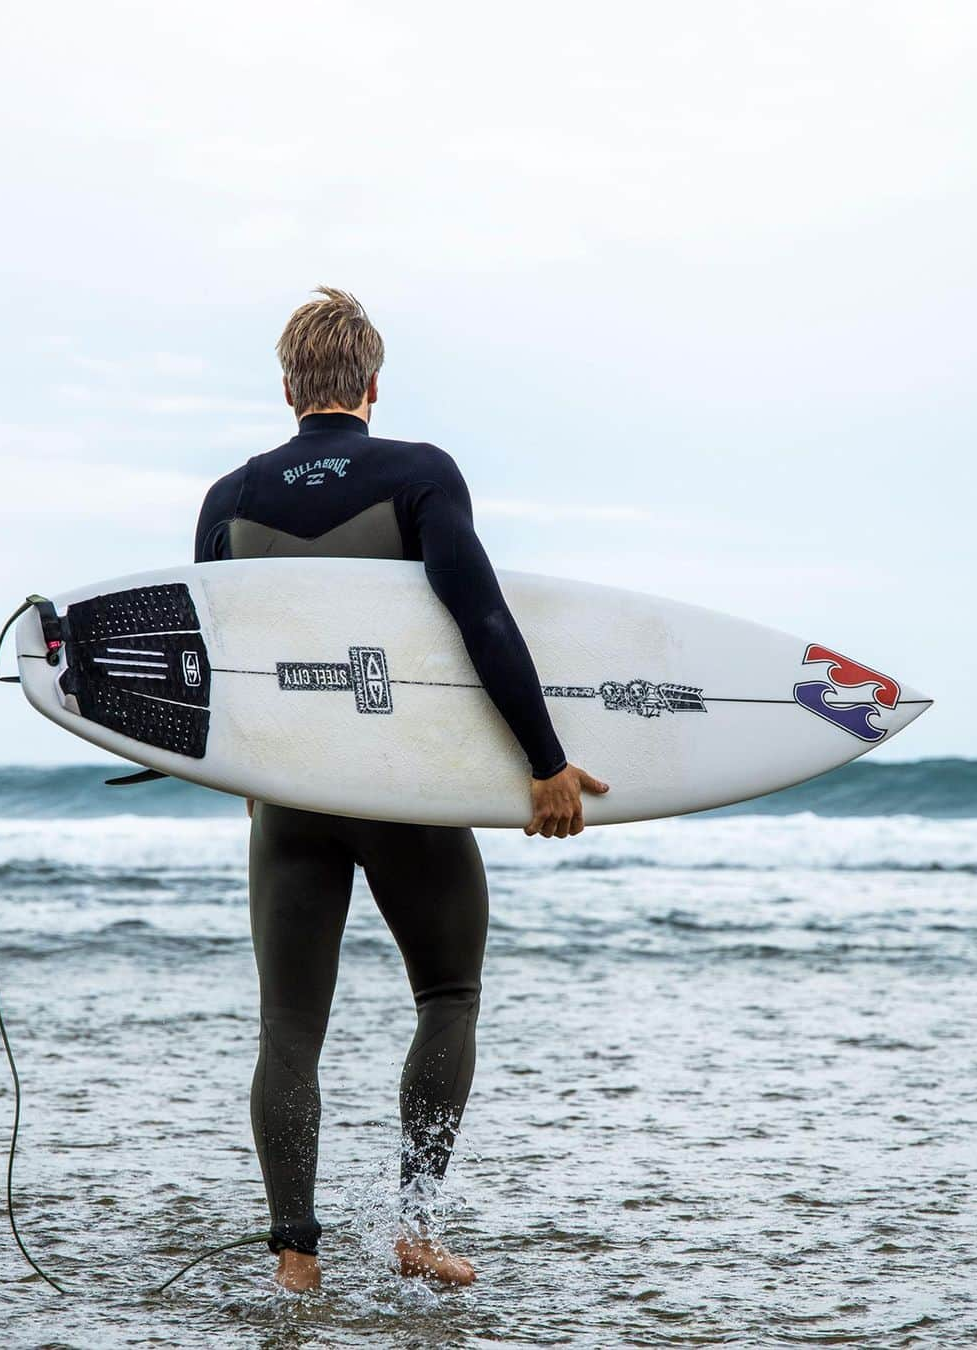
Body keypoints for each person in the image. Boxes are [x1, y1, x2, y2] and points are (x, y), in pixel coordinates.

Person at [194, 288, 608, 1293]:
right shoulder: (420, 476)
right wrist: (544, 761)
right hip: (400, 791)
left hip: (289, 794)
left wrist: (247, 782)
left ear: (289, 386)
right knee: (449, 992)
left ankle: (296, 1256)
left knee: (289, 1031)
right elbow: (482, 618)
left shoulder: (229, 498)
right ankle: (416, 1227)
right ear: (372, 384)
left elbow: (217, 665)